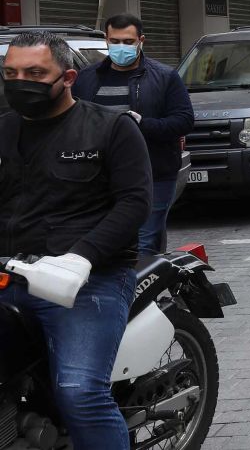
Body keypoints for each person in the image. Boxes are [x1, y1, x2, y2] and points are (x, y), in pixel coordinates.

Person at [0, 30, 152, 450]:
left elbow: (135, 204)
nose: (19, 82)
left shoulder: (111, 128)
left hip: (88, 281)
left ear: (67, 77)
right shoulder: (3, 129)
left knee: (80, 392)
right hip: (10, 274)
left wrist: (82, 257)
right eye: (10, 73)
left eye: (34, 72)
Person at [72, 13, 194, 258]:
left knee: (145, 240)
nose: (121, 47)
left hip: (153, 173)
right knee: (108, 239)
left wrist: (142, 124)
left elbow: (183, 120)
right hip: (98, 175)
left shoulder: (164, 76)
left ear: (141, 41)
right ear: (106, 40)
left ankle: (137, 292)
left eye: (128, 42)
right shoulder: (87, 77)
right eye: (115, 41)